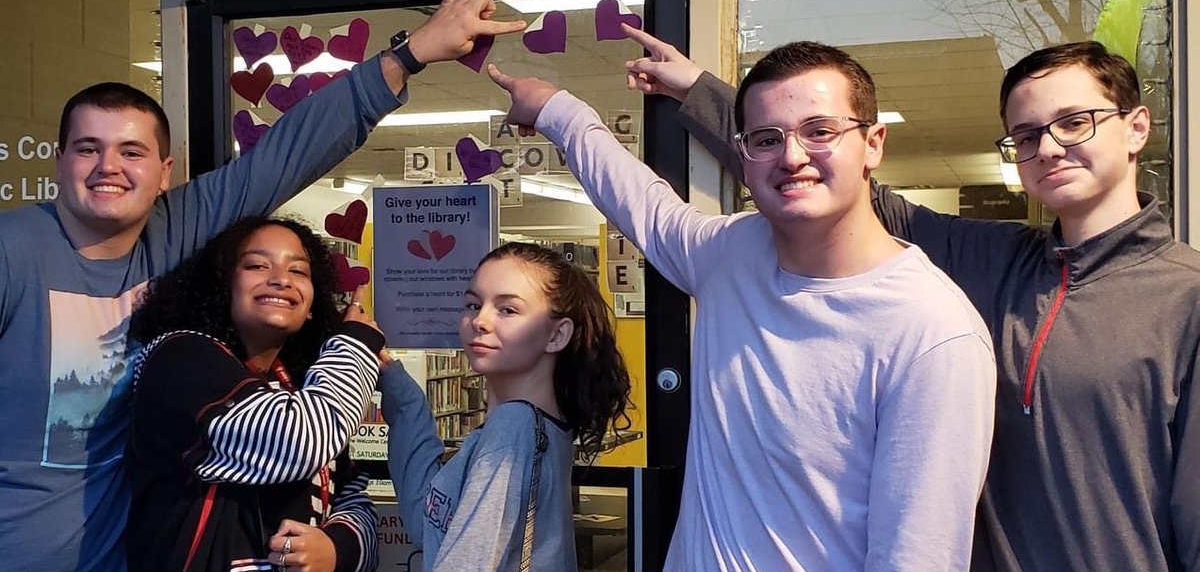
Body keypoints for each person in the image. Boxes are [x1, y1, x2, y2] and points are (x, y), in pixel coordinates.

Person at [626, 27, 1200, 571]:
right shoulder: (995, 259)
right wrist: (696, 88)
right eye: (1026, 136)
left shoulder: (1186, 297)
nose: (1048, 148)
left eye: (1075, 122)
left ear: (1137, 127)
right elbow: (821, 174)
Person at [0, 0, 525, 570]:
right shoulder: (13, 252)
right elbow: (295, 442)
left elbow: (287, 154)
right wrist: (355, 347)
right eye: (87, 148)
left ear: (164, 171)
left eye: (132, 151)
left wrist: (410, 56)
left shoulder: (176, 230)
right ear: (60, 160)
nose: (109, 168)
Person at [486, 41, 997, 570]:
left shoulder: (933, 333)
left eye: (820, 131)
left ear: (873, 144)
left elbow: (917, 558)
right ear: (745, 154)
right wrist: (557, 110)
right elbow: (640, 202)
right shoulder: (730, 254)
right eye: (766, 138)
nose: (792, 156)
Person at [124, 216, 382, 571]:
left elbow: (353, 497)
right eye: (257, 265)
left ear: (311, 307)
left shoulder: (303, 385)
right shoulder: (179, 358)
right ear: (223, 284)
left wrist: (336, 548)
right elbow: (295, 444)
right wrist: (356, 343)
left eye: (299, 272)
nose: (280, 280)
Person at [379, 242, 632, 571]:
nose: (479, 321)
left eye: (507, 309)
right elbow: (426, 525)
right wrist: (398, 387)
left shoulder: (514, 427)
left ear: (556, 335)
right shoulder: (535, 428)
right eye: (472, 304)